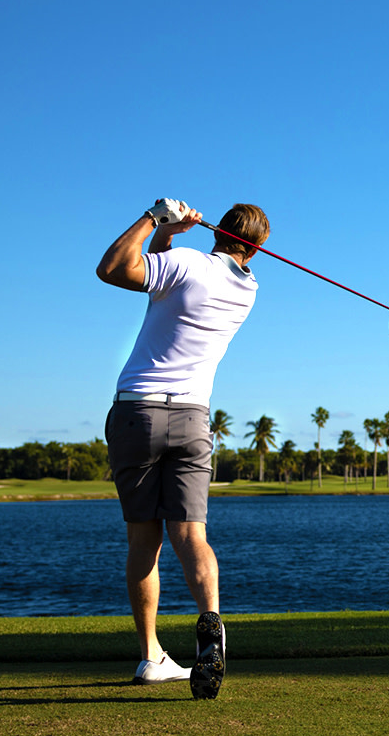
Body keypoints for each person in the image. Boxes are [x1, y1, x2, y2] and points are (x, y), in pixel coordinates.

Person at [97, 199, 269, 699]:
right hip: (194, 418)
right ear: (257, 248)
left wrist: (155, 218)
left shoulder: (189, 262)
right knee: (192, 535)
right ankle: (211, 624)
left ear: (219, 231)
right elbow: (161, 282)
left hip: (138, 412)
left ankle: (151, 655)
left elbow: (112, 269)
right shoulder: (248, 290)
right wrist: (170, 238)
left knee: (143, 540)